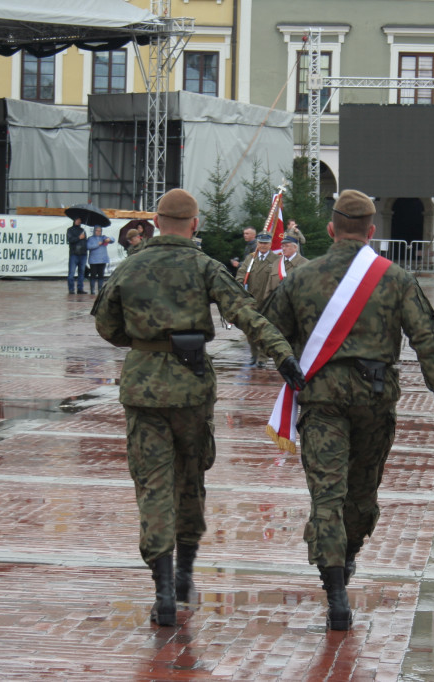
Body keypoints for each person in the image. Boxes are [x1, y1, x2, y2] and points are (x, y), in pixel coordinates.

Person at [92, 188, 304, 627]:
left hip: (143, 390)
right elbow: (246, 313)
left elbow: (106, 325)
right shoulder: (205, 266)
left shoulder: (131, 266)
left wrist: (145, 344)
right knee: (190, 480)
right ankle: (185, 575)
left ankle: (163, 591)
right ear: (194, 225)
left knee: (152, 486)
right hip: (191, 390)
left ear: (155, 222)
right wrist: (283, 356)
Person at [261, 189, 434, 631]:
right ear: (372, 232)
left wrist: (288, 362)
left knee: (327, 497)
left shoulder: (301, 277)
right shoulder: (395, 278)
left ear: (331, 229)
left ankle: (335, 592)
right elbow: (428, 342)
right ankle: (346, 559)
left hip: (322, 399)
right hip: (375, 399)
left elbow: (267, 330)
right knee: (362, 494)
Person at [235, 232, 282, 368]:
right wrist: (239, 284)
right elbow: (241, 273)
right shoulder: (251, 259)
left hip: (268, 301)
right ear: (257, 243)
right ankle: (254, 355)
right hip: (251, 300)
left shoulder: (276, 260)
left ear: (270, 244)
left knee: (264, 331)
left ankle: (263, 358)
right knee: (250, 330)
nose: (263, 245)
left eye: (266, 243)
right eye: (261, 243)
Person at [86, 226, 114, 294]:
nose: (98, 232)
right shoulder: (90, 238)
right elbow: (88, 247)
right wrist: (97, 244)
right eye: (97, 230)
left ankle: (100, 289)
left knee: (101, 275)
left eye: (100, 231)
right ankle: (92, 290)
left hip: (102, 260)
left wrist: (109, 239)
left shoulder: (103, 237)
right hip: (93, 260)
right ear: (94, 231)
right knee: (93, 275)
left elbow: (113, 240)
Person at [67, 217, 88, 294]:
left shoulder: (83, 230)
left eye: (80, 220)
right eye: (77, 219)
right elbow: (70, 240)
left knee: (81, 273)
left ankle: (80, 289)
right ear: (74, 220)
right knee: (71, 273)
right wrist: (79, 237)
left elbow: (85, 242)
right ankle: (71, 289)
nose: (79, 221)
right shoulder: (70, 230)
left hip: (83, 254)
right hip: (74, 254)